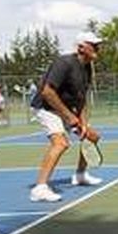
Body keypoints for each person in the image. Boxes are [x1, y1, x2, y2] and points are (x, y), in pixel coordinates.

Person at [28, 33, 103, 202]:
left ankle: (80, 175)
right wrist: (69, 117)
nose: (98, 48)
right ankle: (39, 188)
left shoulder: (88, 67)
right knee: (61, 143)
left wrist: (83, 124)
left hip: (66, 109)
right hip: (46, 107)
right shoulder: (64, 63)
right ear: (81, 48)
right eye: (94, 45)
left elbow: (81, 98)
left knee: (91, 137)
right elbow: (47, 92)